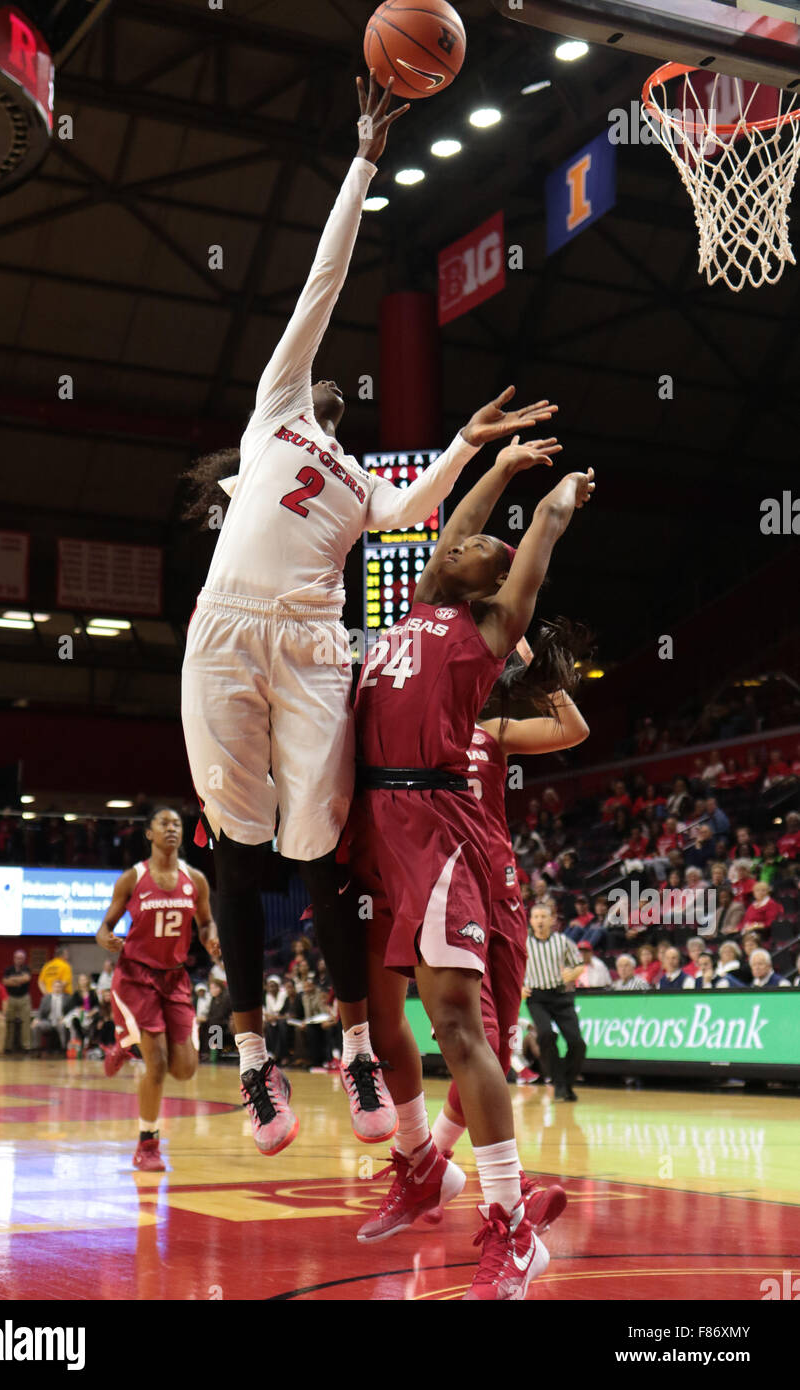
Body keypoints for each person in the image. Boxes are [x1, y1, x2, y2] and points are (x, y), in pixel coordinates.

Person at [179, 74, 557, 1157]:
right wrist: (361, 159)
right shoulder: (277, 407)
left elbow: (420, 510)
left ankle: (348, 1044)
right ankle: (252, 1059)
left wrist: (469, 442)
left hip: (307, 644)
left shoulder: (360, 489)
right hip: (225, 627)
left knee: (312, 847)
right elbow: (319, 280)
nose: (329, 393)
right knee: (237, 855)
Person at [345, 436, 594, 1298]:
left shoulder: (486, 627)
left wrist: (558, 495)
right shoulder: (416, 605)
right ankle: (427, 1168)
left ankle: (510, 1226)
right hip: (379, 825)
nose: (463, 543)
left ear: (491, 583)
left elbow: (535, 540)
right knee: (385, 1024)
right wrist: (501, 465)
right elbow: (466, 524)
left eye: (480, 548)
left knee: (457, 1025)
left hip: (435, 824)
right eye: (454, 542)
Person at [426, 626, 590, 1232]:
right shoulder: (420, 730)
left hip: (504, 890)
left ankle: (432, 1163)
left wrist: (542, 673)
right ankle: (506, 1186)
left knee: (497, 1048)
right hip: (452, 890)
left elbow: (574, 730)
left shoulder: (492, 731)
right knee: (486, 1038)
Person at [95, 806, 221, 1172]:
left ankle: (124, 1043)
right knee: (159, 1063)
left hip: (175, 978)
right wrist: (106, 939)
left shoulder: (195, 879)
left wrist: (211, 939)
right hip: (136, 978)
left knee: (184, 1070)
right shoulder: (132, 879)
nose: (171, 829)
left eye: (177, 825)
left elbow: (207, 923)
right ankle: (147, 1145)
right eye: (163, 824)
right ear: (149, 834)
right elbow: (104, 926)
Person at [523, 902, 587, 1099]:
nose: (540, 920)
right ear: (531, 921)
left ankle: (564, 1083)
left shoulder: (563, 941)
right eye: (536, 917)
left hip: (561, 996)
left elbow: (579, 965)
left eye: (544, 916)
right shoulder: (524, 943)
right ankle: (559, 1084)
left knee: (577, 1043)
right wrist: (519, 986)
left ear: (552, 920)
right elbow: (511, 967)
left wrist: (573, 972)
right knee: (546, 1035)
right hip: (537, 997)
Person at [2, 949, 33, 1054]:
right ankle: (8, 1046)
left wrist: (13, 979)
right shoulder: (8, 969)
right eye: (17, 958)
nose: (19, 960)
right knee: (9, 1021)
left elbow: (26, 978)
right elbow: (5, 982)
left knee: (26, 1022)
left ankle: (26, 1046)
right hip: (10, 997)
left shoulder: (27, 968)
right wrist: (18, 980)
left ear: (24, 959)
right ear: (14, 958)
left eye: (21, 958)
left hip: (24, 998)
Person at [32, 979, 70, 1052]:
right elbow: (40, 1011)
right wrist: (36, 1019)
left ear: (62, 988)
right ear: (52, 987)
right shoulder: (46, 998)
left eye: (59, 987)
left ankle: (64, 1049)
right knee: (36, 1026)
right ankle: (36, 1049)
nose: (57, 989)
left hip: (61, 1021)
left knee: (62, 1026)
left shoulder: (67, 998)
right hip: (48, 1021)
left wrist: (65, 1019)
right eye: (55, 987)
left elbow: (71, 1012)